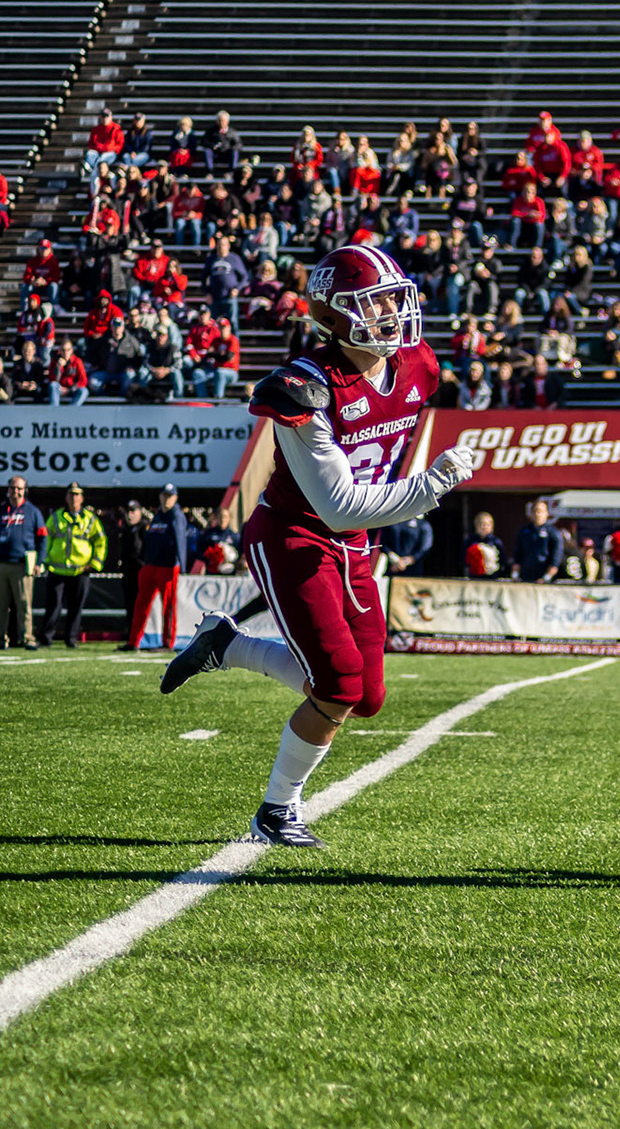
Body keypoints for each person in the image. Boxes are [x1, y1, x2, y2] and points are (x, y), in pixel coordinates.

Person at [159, 245, 476, 848]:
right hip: (295, 534)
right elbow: (337, 504)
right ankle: (276, 812)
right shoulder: (306, 387)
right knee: (336, 685)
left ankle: (227, 646)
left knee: (369, 696)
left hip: (354, 541)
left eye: (393, 298)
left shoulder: (418, 366)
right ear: (334, 315)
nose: (391, 312)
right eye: (375, 302)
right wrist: (432, 483)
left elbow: (358, 504)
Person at [37, 483, 106, 648]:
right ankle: (46, 638)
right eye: (71, 494)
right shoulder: (56, 517)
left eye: (77, 494)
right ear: (66, 497)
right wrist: (44, 561)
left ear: (81, 498)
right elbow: (46, 540)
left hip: (80, 570)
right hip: (57, 569)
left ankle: (71, 639)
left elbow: (101, 541)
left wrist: (94, 564)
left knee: (76, 607)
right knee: (53, 605)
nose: (74, 498)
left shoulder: (90, 519)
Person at [0, 476, 47, 650]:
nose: (15, 491)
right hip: (0, 564)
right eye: (12, 488)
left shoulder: (32, 512)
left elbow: (43, 539)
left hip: (22, 564)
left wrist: (39, 562)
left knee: (24, 604)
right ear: (7, 490)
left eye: (19, 488)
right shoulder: (0, 511)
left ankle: (27, 638)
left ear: (25, 490)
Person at [123, 485, 186, 650]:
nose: (166, 499)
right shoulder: (158, 515)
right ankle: (133, 642)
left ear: (175, 498)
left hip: (168, 566)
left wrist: (182, 566)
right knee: (140, 605)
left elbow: (180, 541)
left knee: (168, 606)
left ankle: (168, 642)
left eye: (170, 496)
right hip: (151, 566)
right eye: (164, 495)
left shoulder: (176, 516)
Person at [513, 498, 566, 582]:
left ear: (546, 513)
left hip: (544, 578)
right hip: (525, 577)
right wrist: (515, 574)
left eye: (540, 511)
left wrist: (546, 578)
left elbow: (556, 559)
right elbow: (517, 555)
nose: (537, 514)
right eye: (534, 511)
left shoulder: (553, 533)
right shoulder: (524, 531)